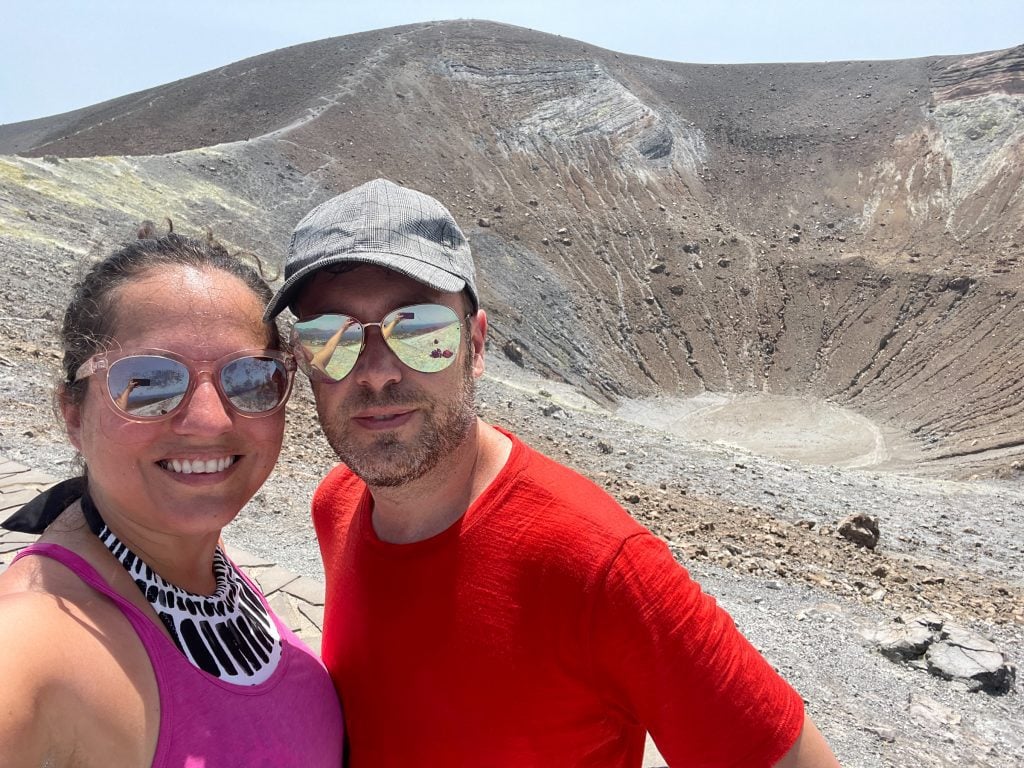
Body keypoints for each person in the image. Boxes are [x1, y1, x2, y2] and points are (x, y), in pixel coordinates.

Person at [264, 178, 841, 767]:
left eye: (418, 331)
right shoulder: (337, 503)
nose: (376, 372)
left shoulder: (600, 565)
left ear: (476, 345)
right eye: (328, 337)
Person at [0, 227, 344, 767]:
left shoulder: (195, 563)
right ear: (73, 414)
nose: (209, 421)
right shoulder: (36, 639)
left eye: (250, 377)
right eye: (150, 381)